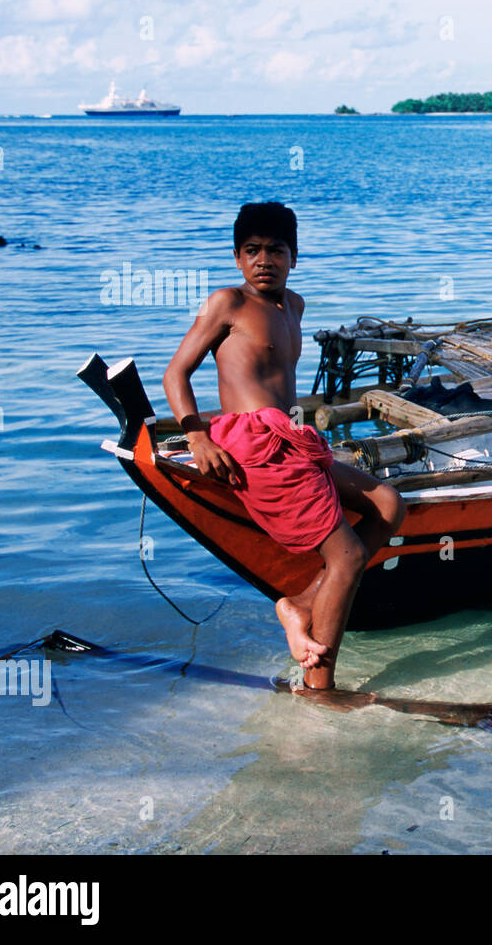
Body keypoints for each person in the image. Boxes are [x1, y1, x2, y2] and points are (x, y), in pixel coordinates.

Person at [162, 202, 404, 692]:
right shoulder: (225, 303)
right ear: (236, 257)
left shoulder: (294, 305)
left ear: (294, 256)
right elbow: (176, 372)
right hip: (252, 443)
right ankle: (320, 687)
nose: (264, 259)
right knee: (348, 558)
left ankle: (298, 605)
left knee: (389, 503)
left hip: (294, 439)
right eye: (252, 250)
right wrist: (196, 435)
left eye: (276, 249)